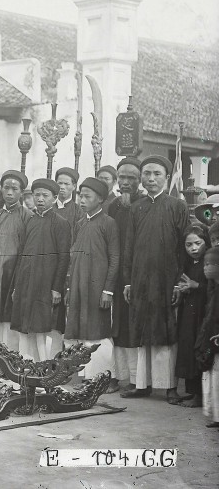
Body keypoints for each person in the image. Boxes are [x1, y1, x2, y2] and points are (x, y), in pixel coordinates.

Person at [121, 155, 190, 402]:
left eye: (157, 174)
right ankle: (142, 384)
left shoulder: (177, 206)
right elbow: (129, 245)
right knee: (141, 329)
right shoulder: (136, 207)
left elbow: (184, 246)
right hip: (140, 278)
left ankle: (169, 386)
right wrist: (128, 281)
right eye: (147, 174)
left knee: (166, 329)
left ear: (167, 177)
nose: (151, 179)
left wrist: (177, 283)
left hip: (167, 278)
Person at [64, 177, 120, 381]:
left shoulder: (108, 223)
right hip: (79, 283)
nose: (82, 200)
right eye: (81, 196)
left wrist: (108, 290)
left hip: (98, 287)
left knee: (97, 330)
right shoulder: (79, 223)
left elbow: (115, 258)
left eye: (87, 196)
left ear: (101, 199)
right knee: (79, 329)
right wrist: (69, 287)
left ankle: (102, 376)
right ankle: (83, 375)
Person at [10, 179, 71, 361]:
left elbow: (63, 257)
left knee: (42, 329)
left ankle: (44, 370)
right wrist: (16, 286)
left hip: (46, 284)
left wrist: (56, 288)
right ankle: (25, 367)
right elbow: (21, 255)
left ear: (54, 198)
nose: (40, 199)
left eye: (45, 195)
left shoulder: (60, 223)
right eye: (37, 195)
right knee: (25, 327)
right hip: (26, 283)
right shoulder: (30, 221)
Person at [107, 157, 144, 392]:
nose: (126, 182)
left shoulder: (143, 203)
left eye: (132, 178)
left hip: (138, 274)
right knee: (116, 326)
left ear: (139, 180)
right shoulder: (113, 205)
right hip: (117, 273)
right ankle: (117, 375)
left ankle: (135, 379)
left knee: (134, 327)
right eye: (123, 177)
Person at [0, 170, 32, 351]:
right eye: (6, 188)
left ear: (21, 192)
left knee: (9, 312)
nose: (9, 193)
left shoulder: (26, 215)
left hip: (13, 272)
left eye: (14, 189)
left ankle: (11, 352)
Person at [170, 223, 210, 407]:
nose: (194, 248)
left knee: (200, 348)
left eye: (198, 243)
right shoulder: (188, 263)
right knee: (188, 346)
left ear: (205, 242)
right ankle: (193, 392)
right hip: (190, 312)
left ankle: (201, 396)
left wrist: (196, 286)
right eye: (188, 245)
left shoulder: (209, 261)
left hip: (204, 313)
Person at [53, 166, 83, 354]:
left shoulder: (78, 211)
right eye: (59, 183)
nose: (62, 187)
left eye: (66, 183)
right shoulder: (49, 207)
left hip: (69, 266)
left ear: (74, 186)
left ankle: (70, 353)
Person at [197, 246, 219, 427]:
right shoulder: (212, 289)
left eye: (212, 264)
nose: (206, 268)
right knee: (213, 378)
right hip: (212, 339)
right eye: (205, 264)